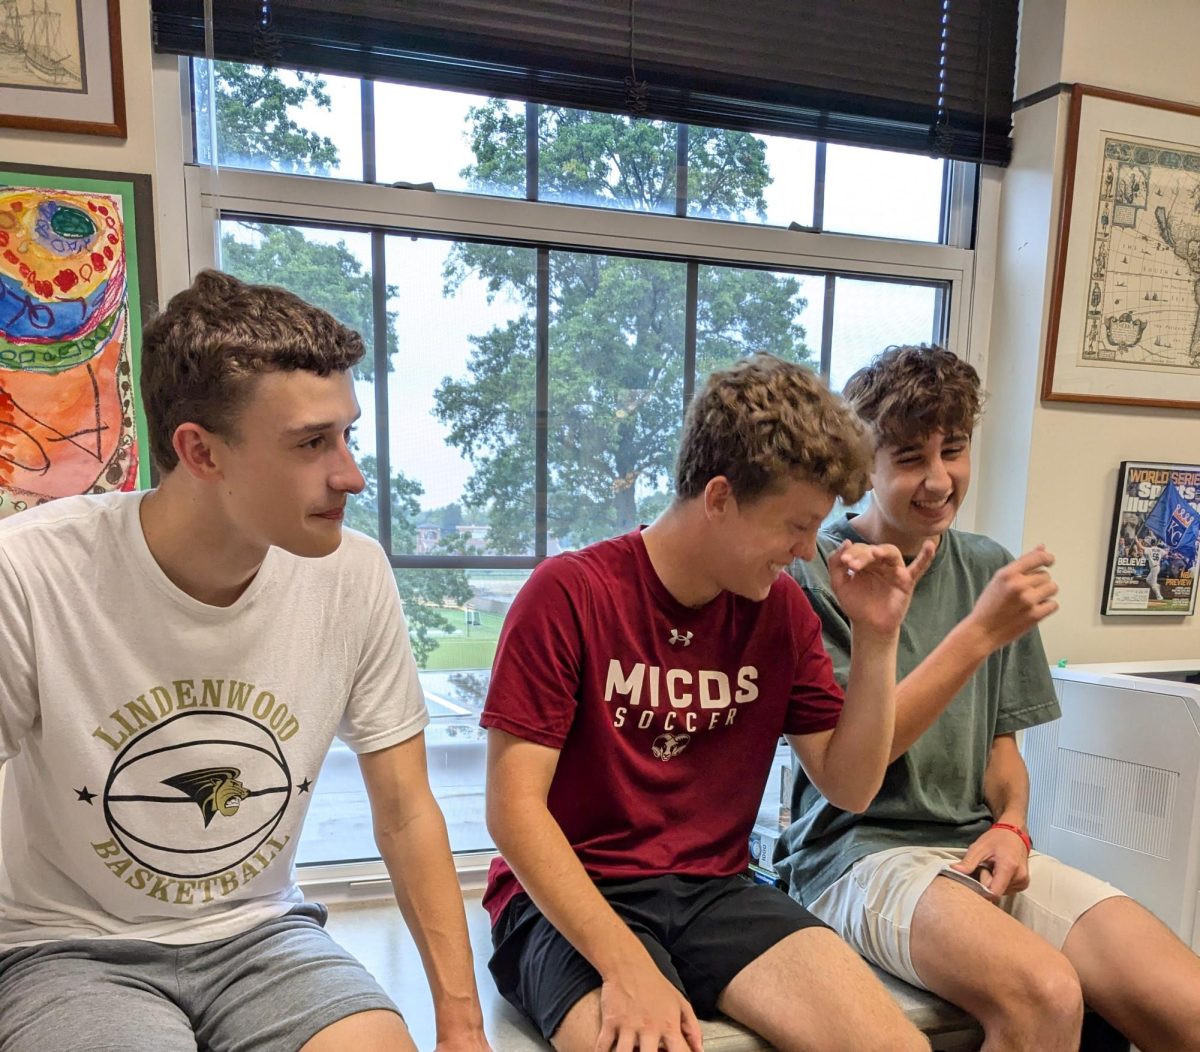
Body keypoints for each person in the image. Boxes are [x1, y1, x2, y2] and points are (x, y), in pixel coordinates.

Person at [0, 271, 491, 1052]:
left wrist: (463, 1029)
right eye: (310, 444)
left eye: (347, 435)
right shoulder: (29, 572)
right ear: (200, 451)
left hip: (261, 935)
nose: (351, 475)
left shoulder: (353, 572)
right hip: (65, 945)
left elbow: (404, 810)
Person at [481, 353, 935, 1052]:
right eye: (793, 526)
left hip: (714, 891)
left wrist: (878, 641)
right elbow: (514, 813)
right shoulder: (568, 593)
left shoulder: (780, 610)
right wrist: (628, 966)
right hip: (568, 897)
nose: (807, 551)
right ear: (719, 498)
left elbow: (850, 785)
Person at [775, 344, 1200, 1052]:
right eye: (910, 456)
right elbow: (854, 776)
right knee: (1047, 995)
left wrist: (1012, 824)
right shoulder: (818, 574)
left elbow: (1003, 754)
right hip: (854, 856)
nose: (939, 479)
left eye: (955, 450)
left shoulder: (987, 568)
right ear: (864, 466)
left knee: (1185, 1004)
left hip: (972, 847)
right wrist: (976, 633)